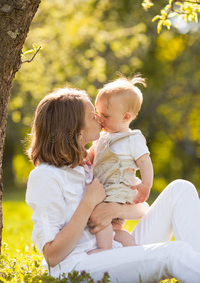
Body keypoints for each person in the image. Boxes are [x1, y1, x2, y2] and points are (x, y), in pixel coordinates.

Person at [26, 86, 200, 283]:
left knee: (181, 189)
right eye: (93, 116)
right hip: (80, 264)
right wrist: (88, 203)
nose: (99, 119)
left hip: (117, 248)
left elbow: (142, 208)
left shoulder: (92, 165)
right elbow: (52, 256)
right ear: (73, 126)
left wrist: (113, 210)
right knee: (172, 253)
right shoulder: (46, 177)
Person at [87, 75, 153, 253]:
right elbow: (93, 153)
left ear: (125, 117)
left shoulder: (133, 139)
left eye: (105, 116)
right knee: (115, 229)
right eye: (98, 114)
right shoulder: (102, 137)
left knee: (103, 222)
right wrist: (86, 156)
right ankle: (132, 252)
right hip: (104, 190)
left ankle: (105, 250)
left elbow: (145, 161)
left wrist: (146, 184)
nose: (100, 119)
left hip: (118, 192)